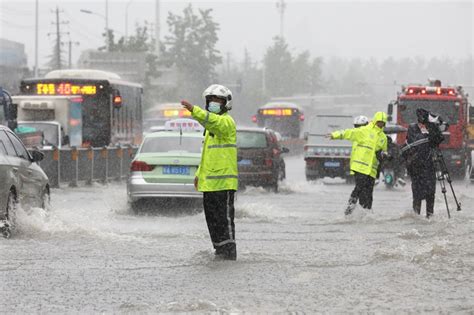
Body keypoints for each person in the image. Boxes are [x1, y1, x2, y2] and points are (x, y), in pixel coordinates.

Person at [181, 84, 238, 260]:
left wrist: (193, 110)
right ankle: (219, 252)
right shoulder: (209, 130)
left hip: (224, 185)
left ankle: (229, 254)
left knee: (224, 223)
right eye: (211, 100)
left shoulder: (226, 122)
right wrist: (199, 174)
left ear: (225, 103)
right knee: (213, 222)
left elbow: (214, 122)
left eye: (218, 100)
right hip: (210, 184)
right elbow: (207, 155)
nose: (214, 103)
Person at [328, 112, 389, 215]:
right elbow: (350, 133)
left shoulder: (383, 137)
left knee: (368, 193)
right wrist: (335, 135)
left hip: (372, 170)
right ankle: (349, 209)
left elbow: (384, 151)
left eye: (382, 123)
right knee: (360, 187)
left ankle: (366, 213)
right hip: (360, 166)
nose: (380, 125)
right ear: (374, 121)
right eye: (379, 122)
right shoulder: (365, 130)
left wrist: (384, 155)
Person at [402, 108, 444, 218]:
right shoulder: (413, 128)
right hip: (416, 166)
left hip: (430, 165)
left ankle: (429, 216)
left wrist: (434, 126)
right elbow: (416, 141)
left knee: (431, 193)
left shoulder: (431, 128)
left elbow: (439, 139)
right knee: (417, 194)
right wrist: (426, 132)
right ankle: (416, 216)